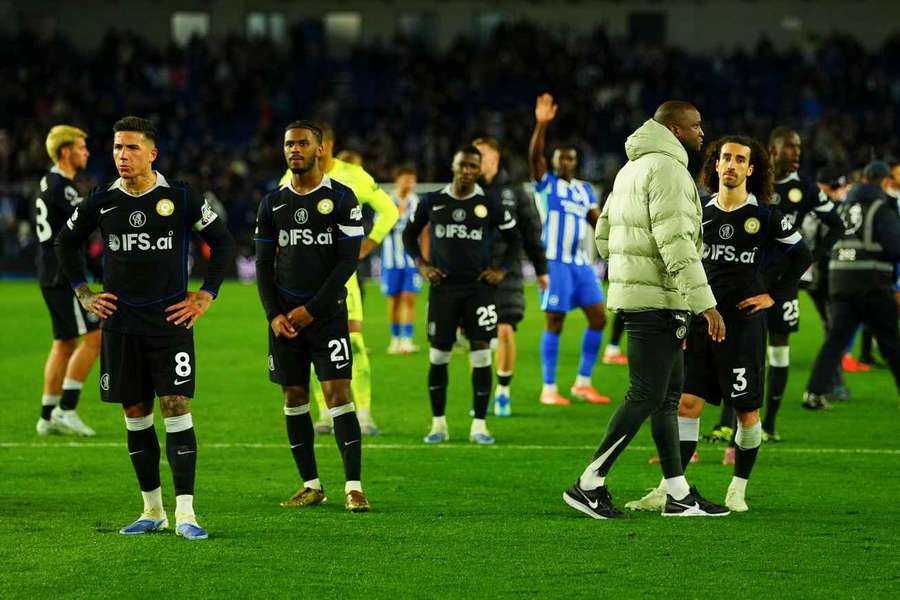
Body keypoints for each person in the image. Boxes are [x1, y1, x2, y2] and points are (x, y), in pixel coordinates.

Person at [56, 116, 235, 539]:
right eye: (117, 147)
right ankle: (152, 509)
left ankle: (187, 512)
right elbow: (65, 243)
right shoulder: (101, 201)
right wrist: (83, 291)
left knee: (175, 407)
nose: (122, 155)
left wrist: (207, 293)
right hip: (120, 326)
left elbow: (223, 241)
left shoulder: (181, 198)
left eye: (132, 147)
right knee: (135, 414)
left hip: (169, 322)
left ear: (152, 153)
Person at [626, 136, 811, 513]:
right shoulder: (699, 212)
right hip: (699, 325)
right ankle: (669, 488)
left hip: (742, 327)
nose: (730, 165)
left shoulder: (766, 215)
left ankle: (738, 488)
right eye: (724, 157)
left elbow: (801, 256)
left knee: (747, 413)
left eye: (739, 159)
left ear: (750, 169)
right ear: (714, 164)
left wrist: (771, 294)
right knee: (688, 405)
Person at [563, 101, 729, 519]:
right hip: (659, 300)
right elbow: (676, 245)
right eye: (695, 125)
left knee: (666, 397)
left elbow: (604, 234)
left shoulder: (630, 169)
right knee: (646, 394)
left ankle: (678, 494)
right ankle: (589, 482)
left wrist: (627, 274)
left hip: (642, 297)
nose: (702, 132)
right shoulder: (669, 171)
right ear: (675, 129)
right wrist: (705, 303)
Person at [257, 120, 370, 512]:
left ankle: (353, 486)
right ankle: (311, 484)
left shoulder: (342, 198)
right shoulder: (272, 202)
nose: (294, 150)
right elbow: (262, 265)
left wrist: (312, 309)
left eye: (303, 143)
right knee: (293, 396)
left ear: (320, 149)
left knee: (338, 395)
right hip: (284, 321)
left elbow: (346, 263)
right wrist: (275, 315)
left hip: (326, 316)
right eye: (289, 144)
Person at [279, 123, 399, 435]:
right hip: (305, 280)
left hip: (342, 278)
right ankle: (324, 413)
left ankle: (364, 414)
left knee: (354, 343)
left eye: (310, 143)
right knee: (308, 344)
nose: (304, 150)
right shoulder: (289, 180)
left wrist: (370, 242)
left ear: (326, 145)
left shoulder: (354, 176)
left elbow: (389, 211)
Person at [402, 146, 518, 445]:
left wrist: (500, 270)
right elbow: (408, 234)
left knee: (480, 354)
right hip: (443, 290)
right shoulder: (433, 200)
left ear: (478, 170)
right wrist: (423, 266)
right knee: (439, 355)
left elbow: (515, 240)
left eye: (472, 166)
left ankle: (479, 425)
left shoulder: (489, 202)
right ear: (452, 166)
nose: (467, 171)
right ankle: (438, 425)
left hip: (479, 290)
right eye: (462, 165)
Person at [761, 127, 843, 438]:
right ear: (773, 149)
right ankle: (728, 424)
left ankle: (769, 423)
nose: (797, 152)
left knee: (778, 350)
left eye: (799, 147)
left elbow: (835, 223)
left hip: (784, 282)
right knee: (745, 351)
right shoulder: (753, 180)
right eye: (790, 147)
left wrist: (815, 256)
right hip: (750, 279)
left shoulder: (804, 188)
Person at [529, 94, 609, 406]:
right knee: (555, 322)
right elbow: (534, 157)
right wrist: (541, 125)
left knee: (599, 318)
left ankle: (582, 383)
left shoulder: (584, 189)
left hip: (580, 264)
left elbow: (596, 222)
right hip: (555, 263)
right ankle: (548, 388)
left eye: (570, 159)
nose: (565, 162)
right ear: (552, 162)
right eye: (560, 158)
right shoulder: (546, 184)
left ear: (576, 163)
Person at [803, 161, 900, 407]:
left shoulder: (842, 208)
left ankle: (814, 392)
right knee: (891, 344)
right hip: (873, 285)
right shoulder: (881, 208)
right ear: (885, 182)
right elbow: (895, 247)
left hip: (840, 284)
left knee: (835, 341)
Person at [473, 136, 548, 416]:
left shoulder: (515, 191)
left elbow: (531, 232)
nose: (476, 161)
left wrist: (541, 271)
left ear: (494, 158)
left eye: (481, 155)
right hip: (474, 273)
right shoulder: (466, 191)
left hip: (507, 270)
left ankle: (502, 391)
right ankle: (480, 392)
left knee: (504, 328)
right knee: (478, 336)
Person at [33, 125, 101, 436]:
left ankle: (47, 416)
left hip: (48, 271)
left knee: (64, 343)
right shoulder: (63, 188)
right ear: (65, 152)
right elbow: (88, 221)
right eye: (81, 147)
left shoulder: (49, 183)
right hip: (64, 275)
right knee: (94, 337)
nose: (86, 152)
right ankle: (67, 409)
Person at [382, 165, 422, 355]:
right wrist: (397, 212)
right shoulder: (386, 200)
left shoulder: (416, 201)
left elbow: (423, 230)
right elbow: (380, 228)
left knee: (409, 298)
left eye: (412, 180)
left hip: (411, 260)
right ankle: (395, 340)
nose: (410, 183)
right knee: (394, 300)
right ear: (398, 180)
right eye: (406, 179)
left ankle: (407, 341)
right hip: (391, 261)